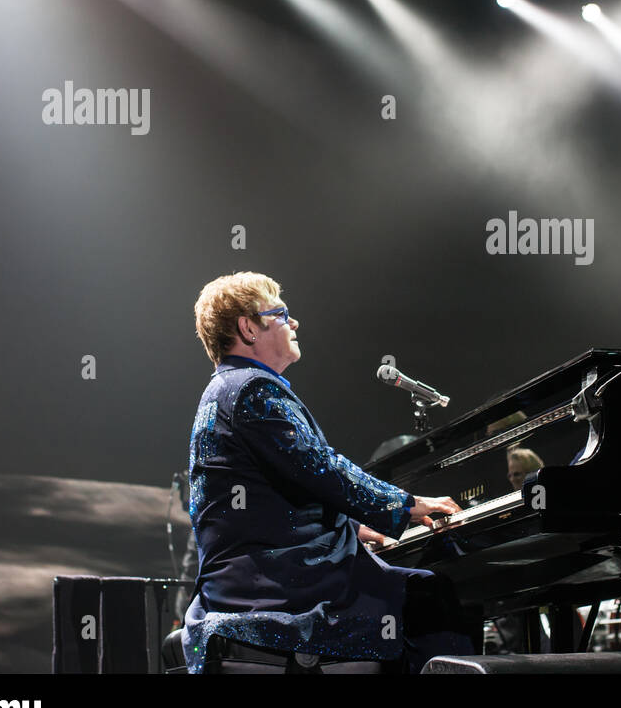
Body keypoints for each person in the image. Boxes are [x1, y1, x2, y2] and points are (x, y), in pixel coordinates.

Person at [181, 271, 474, 673]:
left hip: (244, 580)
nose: (294, 323)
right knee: (432, 595)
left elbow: (273, 495)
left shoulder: (225, 389)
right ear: (249, 328)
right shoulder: (252, 389)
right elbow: (322, 469)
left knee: (417, 591)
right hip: (281, 586)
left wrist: (355, 527)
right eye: (282, 314)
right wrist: (406, 504)